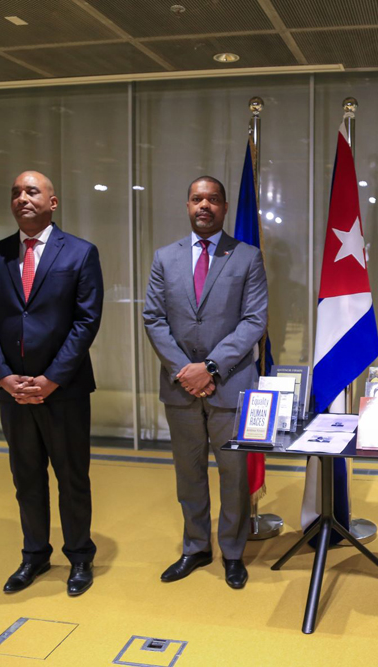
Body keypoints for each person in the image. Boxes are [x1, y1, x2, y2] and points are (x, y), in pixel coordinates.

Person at [0, 171, 103, 596]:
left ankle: (79, 556)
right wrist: (5, 377)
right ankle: (35, 555)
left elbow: (86, 322)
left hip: (64, 390)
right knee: (26, 476)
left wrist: (50, 379)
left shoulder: (80, 253)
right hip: (14, 392)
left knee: (71, 476)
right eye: (15, 193)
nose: (22, 198)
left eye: (32, 191)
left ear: (53, 201)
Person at [143, 175, 268, 590]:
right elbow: (154, 319)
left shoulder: (247, 256)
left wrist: (209, 368)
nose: (204, 205)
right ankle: (196, 547)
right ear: (187, 204)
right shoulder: (165, 258)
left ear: (225, 207)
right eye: (197, 198)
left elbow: (254, 321)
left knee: (233, 475)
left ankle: (233, 552)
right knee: (189, 472)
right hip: (180, 388)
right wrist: (186, 371)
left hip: (230, 387)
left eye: (213, 199)